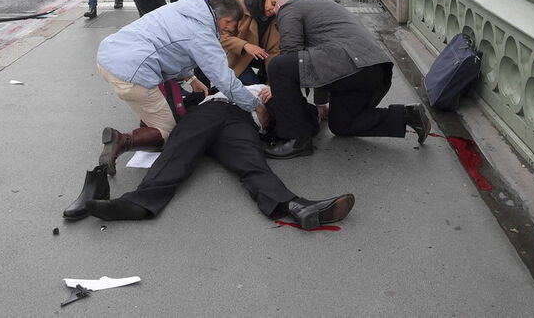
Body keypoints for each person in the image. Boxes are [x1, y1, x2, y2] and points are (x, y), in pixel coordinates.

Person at [83, 96, 355, 230]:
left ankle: (295, 205)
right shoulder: (231, 82)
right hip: (211, 109)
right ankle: (138, 203)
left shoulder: (281, 103)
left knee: (253, 165)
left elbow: (308, 117)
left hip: (242, 123)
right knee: (179, 153)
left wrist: (313, 116)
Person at [95, 0, 268, 175]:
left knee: (157, 106)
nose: (229, 30)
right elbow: (224, 79)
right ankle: (121, 140)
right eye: (228, 23)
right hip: (132, 72)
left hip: (108, 56)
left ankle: (148, 120)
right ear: (220, 16)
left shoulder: (185, 8)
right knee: (168, 133)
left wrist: (190, 78)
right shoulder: (202, 34)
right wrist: (256, 106)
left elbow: (172, 45)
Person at [263, 0, 432, 158]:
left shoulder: (288, 7)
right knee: (341, 125)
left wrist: (278, 88)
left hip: (350, 64)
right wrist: (321, 104)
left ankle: (297, 139)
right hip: (374, 70)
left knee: (279, 66)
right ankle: (407, 115)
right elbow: (316, 62)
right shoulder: (321, 7)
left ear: (279, 5)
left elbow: (291, 52)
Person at [221, 0, 295, 85]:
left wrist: (273, 83)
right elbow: (221, 36)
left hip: (263, 59)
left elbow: (275, 52)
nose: (274, 10)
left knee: (267, 89)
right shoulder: (240, 6)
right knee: (253, 85)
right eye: (273, 3)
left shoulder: (280, 16)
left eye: (279, 7)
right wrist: (245, 46)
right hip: (235, 57)